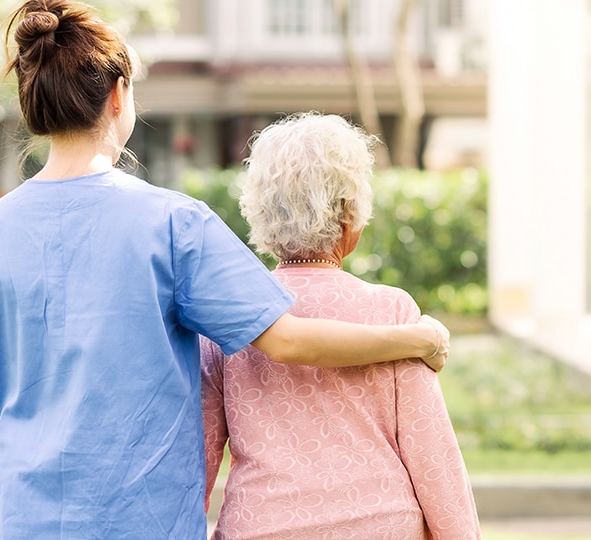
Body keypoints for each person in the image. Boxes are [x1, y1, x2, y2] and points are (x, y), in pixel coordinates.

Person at [0, 2, 449, 538]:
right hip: (139, 521)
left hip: (18, 520)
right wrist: (416, 338)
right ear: (118, 96)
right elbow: (289, 342)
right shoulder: (173, 223)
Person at [201, 113, 481, 539]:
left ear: (259, 213)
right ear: (350, 214)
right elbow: (433, 456)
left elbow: (196, 456)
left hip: (263, 527)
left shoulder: (230, 318)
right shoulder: (392, 312)